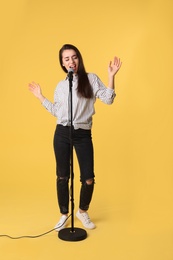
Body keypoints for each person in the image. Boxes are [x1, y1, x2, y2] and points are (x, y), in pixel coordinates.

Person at [28, 44, 121, 231]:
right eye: (67, 59)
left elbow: (109, 99)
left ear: (79, 59)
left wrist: (111, 77)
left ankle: (82, 211)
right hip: (62, 133)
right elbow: (57, 111)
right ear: (62, 64)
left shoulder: (91, 79)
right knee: (62, 176)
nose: (72, 61)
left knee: (88, 178)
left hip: (83, 134)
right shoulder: (61, 86)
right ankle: (64, 213)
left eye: (74, 57)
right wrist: (40, 97)